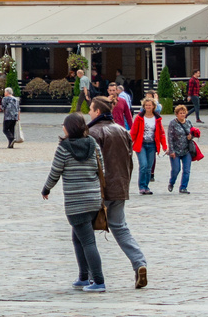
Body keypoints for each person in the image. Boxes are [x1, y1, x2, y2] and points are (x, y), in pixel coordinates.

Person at [42, 113, 107, 293]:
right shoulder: (93, 144)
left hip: (75, 201)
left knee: (87, 241)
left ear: (69, 128)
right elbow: (101, 168)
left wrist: (46, 189)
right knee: (77, 238)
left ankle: (99, 280)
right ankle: (83, 277)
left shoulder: (64, 147)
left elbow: (55, 171)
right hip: (93, 199)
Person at [88, 97, 147, 288]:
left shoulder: (93, 132)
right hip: (120, 187)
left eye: (90, 109)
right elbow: (130, 161)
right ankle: (139, 263)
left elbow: (91, 164)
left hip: (99, 189)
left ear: (97, 112)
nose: (88, 112)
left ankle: (90, 276)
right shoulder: (122, 130)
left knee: (85, 232)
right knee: (120, 228)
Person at [130, 96, 165, 194]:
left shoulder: (157, 118)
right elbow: (133, 132)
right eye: (146, 105)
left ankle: (146, 186)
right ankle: (141, 186)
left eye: (150, 105)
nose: (148, 107)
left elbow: (161, 133)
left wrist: (165, 146)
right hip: (141, 144)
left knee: (149, 167)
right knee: (143, 165)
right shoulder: (139, 118)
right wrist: (129, 143)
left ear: (154, 106)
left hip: (152, 145)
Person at [165, 104, 193, 193]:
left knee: (187, 170)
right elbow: (170, 138)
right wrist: (171, 150)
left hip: (186, 150)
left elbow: (192, 133)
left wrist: (191, 137)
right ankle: (171, 182)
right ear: (177, 114)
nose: (182, 115)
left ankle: (183, 187)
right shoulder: (173, 123)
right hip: (176, 150)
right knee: (176, 169)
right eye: (180, 113)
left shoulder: (188, 122)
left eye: (184, 113)